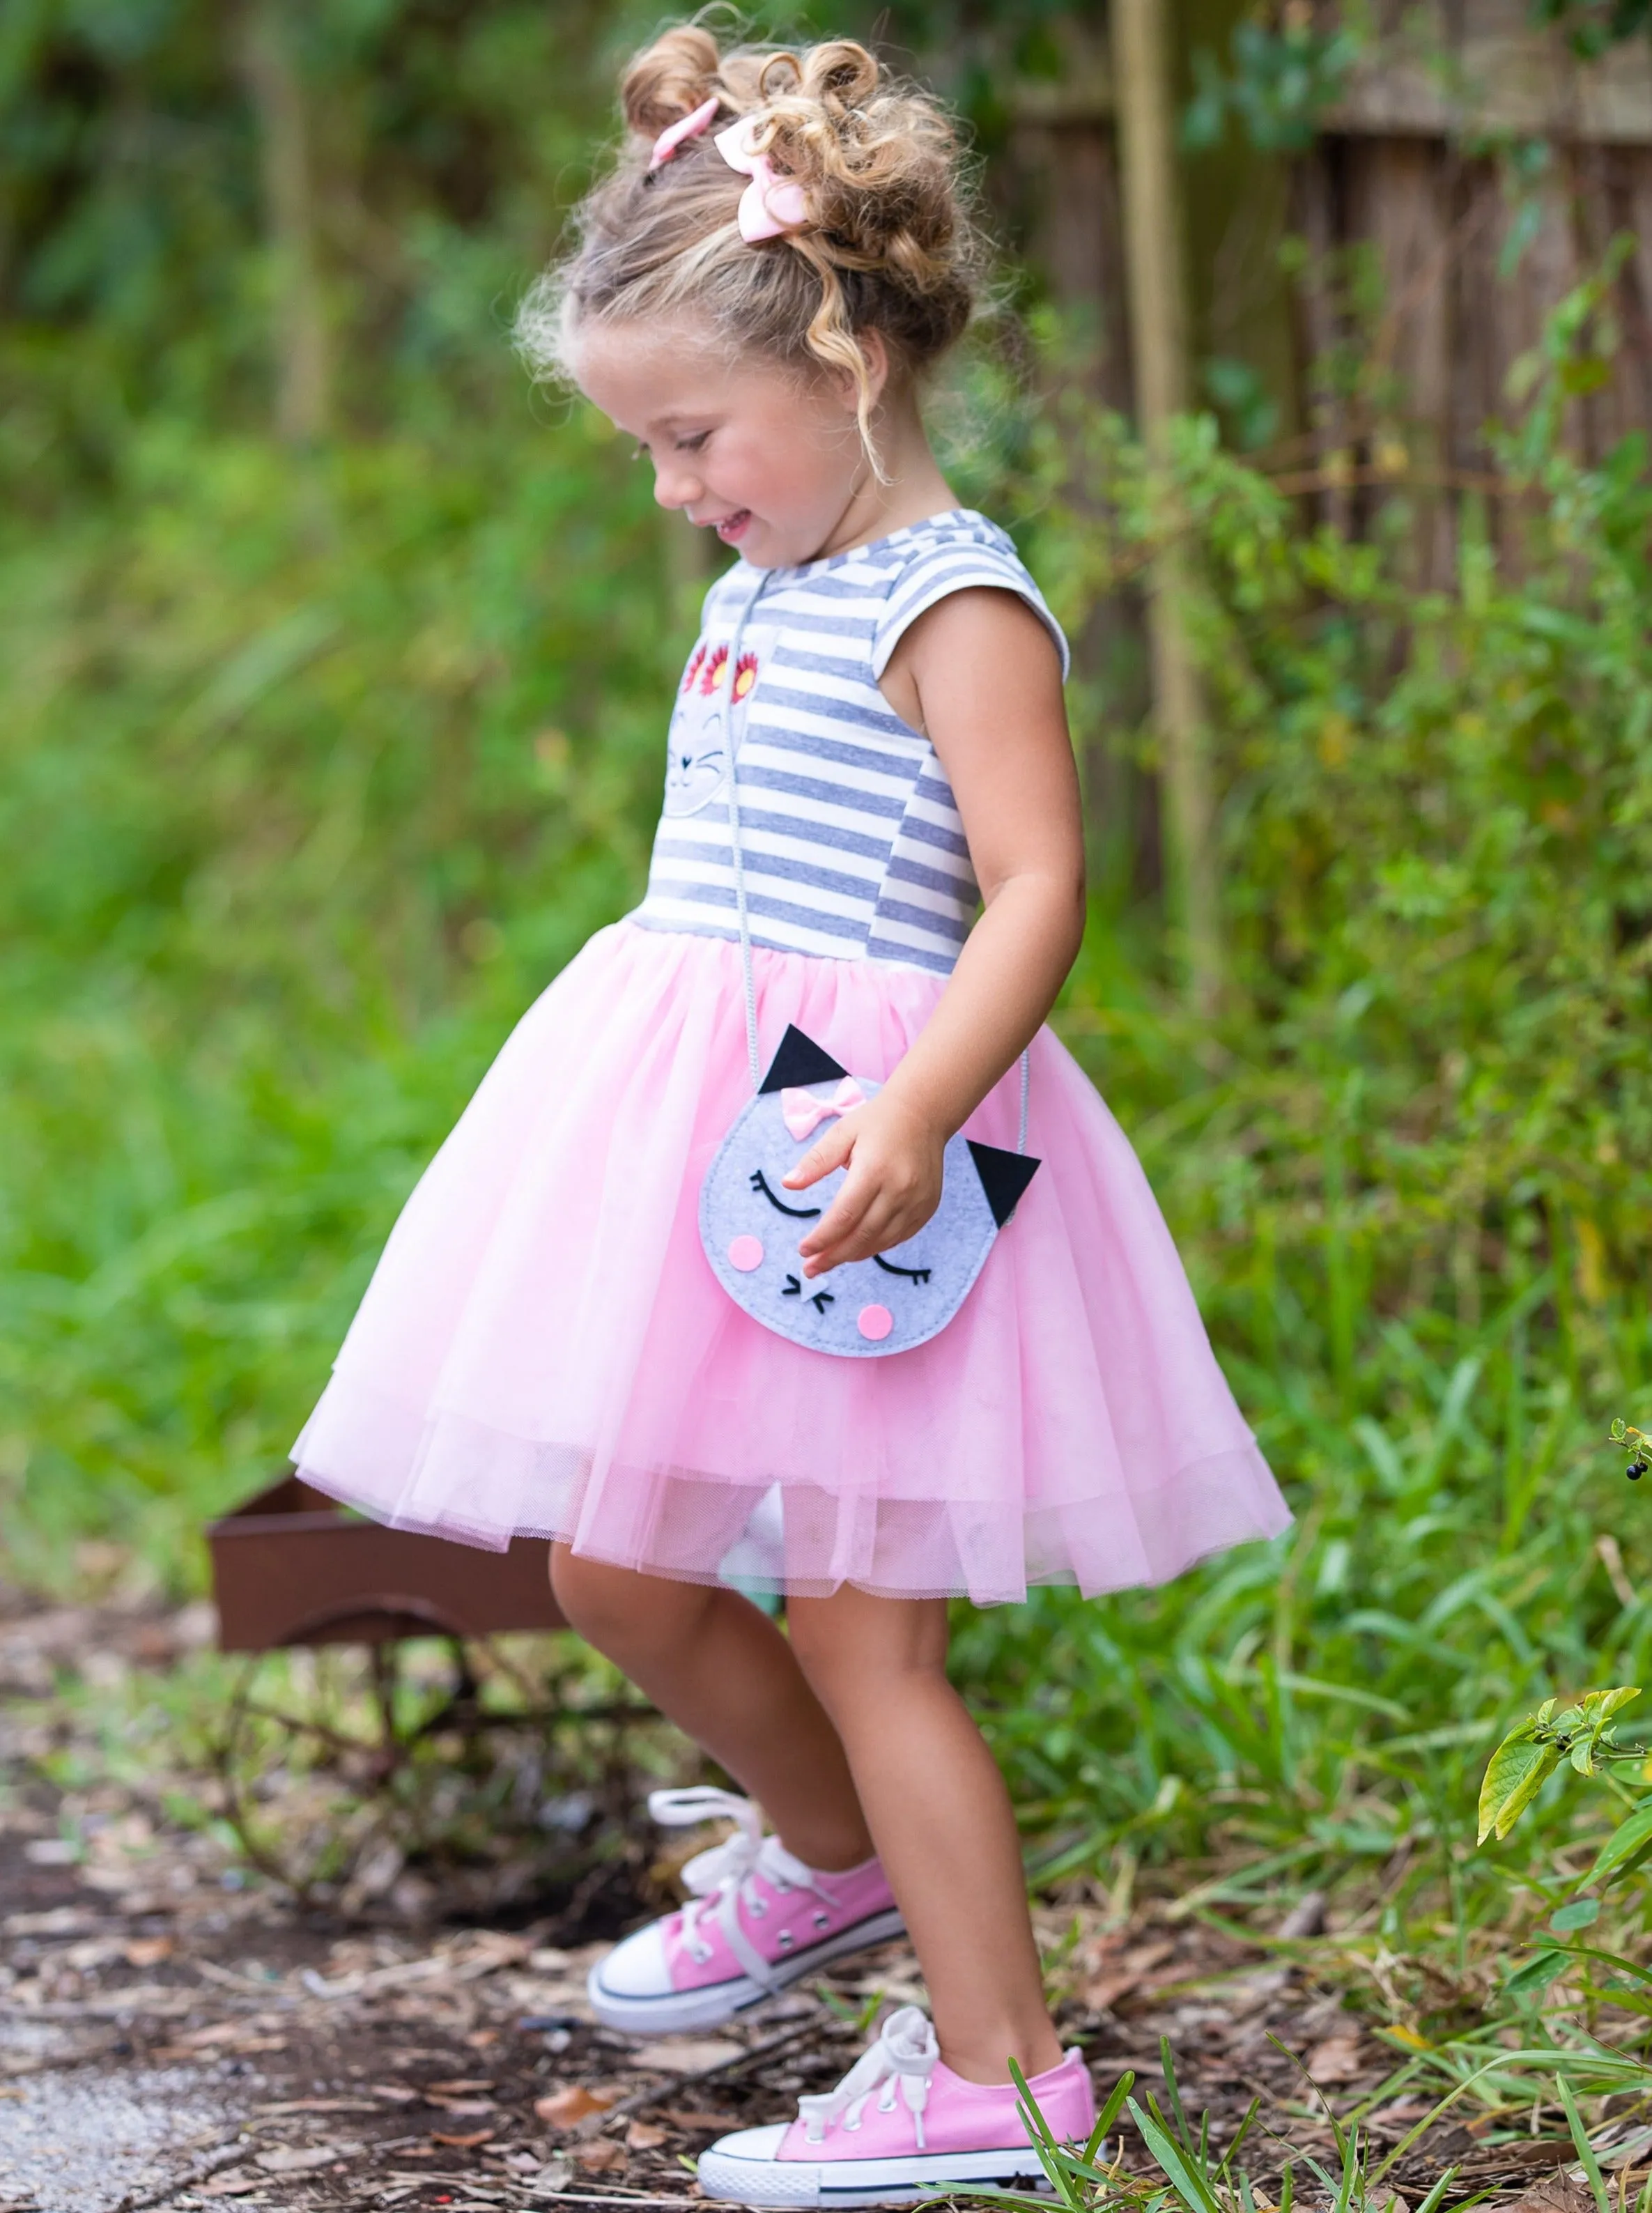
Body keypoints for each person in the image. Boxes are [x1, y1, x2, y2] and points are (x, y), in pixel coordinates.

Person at [292, 25, 1291, 2206]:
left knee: (862, 1623)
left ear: (839, 354)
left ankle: (998, 2069)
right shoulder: (771, 586)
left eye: (690, 435)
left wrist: (927, 1101)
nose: (671, 487)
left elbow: (1037, 885)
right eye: (645, 446)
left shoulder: (952, 597)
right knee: (617, 1564)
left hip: (863, 1160)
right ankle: (828, 1856)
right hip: (707, 1162)